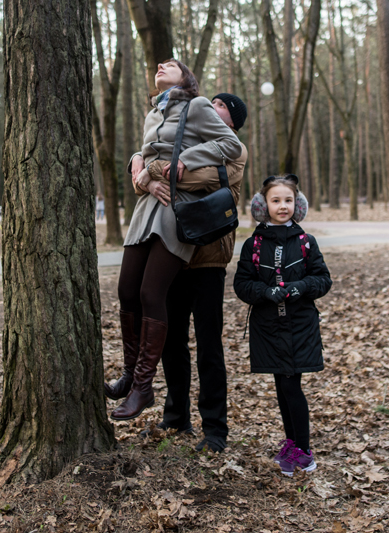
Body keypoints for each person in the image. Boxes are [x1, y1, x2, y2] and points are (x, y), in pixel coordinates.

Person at [107, 59, 242, 421]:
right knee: (126, 290)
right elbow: (145, 160)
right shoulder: (154, 113)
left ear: (187, 77)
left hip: (175, 212)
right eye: (158, 65)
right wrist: (146, 178)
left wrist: (187, 157)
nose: (160, 65)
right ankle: (130, 374)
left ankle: (142, 387)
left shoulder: (196, 106)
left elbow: (232, 147)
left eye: (172, 64)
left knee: (152, 294)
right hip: (147, 206)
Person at [137, 93, 249, 452]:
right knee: (172, 341)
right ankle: (176, 417)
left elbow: (200, 179)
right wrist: (141, 164)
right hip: (174, 252)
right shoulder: (183, 140)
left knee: (209, 346)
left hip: (209, 258)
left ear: (230, 123)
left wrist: (151, 171)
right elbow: (149, 156)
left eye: (221, 106)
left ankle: (215, 429)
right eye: (210, 103)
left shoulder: (235, 151)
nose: (210, 107)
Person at [233, 175, 332, 477]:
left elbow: (323, 280)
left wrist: (299, 287)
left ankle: (304, 451)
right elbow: (241, 284)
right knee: (281, 386)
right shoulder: (253, 244)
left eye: (288, 200)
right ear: (263, 205)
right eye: (276, 200)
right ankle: (292, 443)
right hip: (268, 328)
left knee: (291, 385)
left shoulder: (305, 242)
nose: (283, 206)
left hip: (299, 325)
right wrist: (265, 292)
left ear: (297, 204)